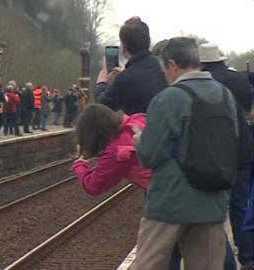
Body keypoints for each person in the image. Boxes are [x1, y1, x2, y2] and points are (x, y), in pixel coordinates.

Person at [134, 37, 238, 270]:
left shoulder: (168, 98)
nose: (164, 75)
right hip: (213, 201)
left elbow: (150, 155)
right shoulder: (225, 96)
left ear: (172, 65)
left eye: (164, 70)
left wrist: (139, 140)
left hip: (170, 202)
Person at [200, 42, 254, 270]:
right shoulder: (239, 79)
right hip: (241, 147)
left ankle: (219, 255)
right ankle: (248, 255)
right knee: (240, 202)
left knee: (210, 206)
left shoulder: (203, 82)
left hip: (213, 152)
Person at [72, 103, 150, 195]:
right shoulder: (136, 121)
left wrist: (79, 164)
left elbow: (93, 187)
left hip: (166, 189)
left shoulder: (118, 151)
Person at [94, 17, 167, 115]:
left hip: (141, 128)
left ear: (124, 47)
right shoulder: (164, 67)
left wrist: (101, 82)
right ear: (148, 42)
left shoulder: (124, 79)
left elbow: (104, 106)